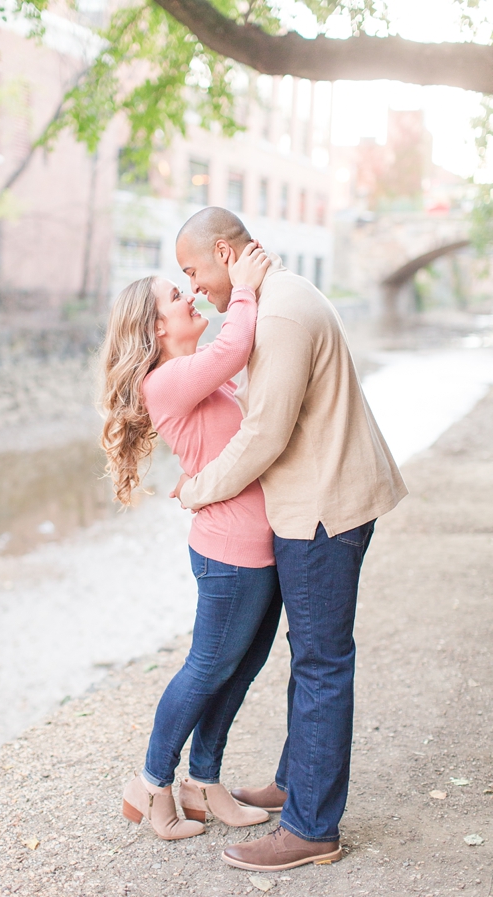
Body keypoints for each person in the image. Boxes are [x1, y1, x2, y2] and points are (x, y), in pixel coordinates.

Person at [173, 207, 406, 872]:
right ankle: (296, 783)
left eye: (193, 270)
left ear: (224, 251)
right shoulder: (278, 295)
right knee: (311, 656)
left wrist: (198, 488)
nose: (192, 288)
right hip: (318, 501)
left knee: (323, 663)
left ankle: (311, 827)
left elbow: (265, 433)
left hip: (324, 508)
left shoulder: (278, 313)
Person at [101, 244, 280, 841]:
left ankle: (202, 783)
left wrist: (195, 478)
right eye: (178, 297)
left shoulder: (194, 373)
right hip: (229, 555)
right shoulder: (167, 379)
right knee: (207, 668)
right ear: (156, 326)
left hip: (256, 549)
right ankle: (150, 785)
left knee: (240, 667)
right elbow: (237, 346)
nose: (194, 295)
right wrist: (247, 286)